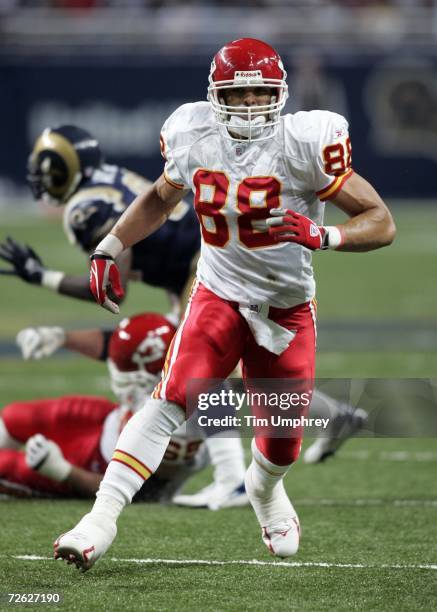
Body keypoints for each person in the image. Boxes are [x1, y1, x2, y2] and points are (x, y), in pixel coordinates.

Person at [53, 37, 395, 570]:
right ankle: (98, 521)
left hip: (286, 309)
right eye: (240, 95)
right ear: (218, 97)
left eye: (262, 94)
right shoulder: (194, 134)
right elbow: (162, 197)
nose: (253, 105)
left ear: (279, 94)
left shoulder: (305, 141)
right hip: (218, 293)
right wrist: (111, 245)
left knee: (282, 443)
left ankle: (263, 491)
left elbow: (381, 221)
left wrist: (322, 236)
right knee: (169, 399)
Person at [0, 311, 248, 506]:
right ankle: (233, 480)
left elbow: (142, 492)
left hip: (100, 466)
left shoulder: (181, 420)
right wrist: (63, 338)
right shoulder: (179, 342)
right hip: (107, 421)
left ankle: (233, 481)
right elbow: (121, 343)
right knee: (14, 416)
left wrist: (64, 472)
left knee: (7, 467)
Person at [0, 124, 200, 316]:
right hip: (201, 255)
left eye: (48, 170)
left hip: (200, 264)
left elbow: (110, 290)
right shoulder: (110, 176)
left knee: (183, 346)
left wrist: (42, 276)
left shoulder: (84, 209)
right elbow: (169, 240)